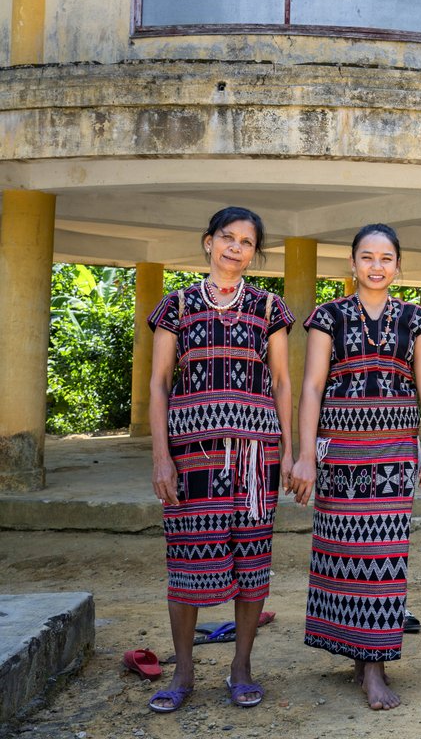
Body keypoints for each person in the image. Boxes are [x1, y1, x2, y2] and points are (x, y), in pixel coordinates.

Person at [291, 223, 421, 710]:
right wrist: (303, 454)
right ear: (352, 263)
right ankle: (360, 657)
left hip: (395, 450)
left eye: (385, 258)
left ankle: (374, 664)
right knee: (342, 553)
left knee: (383, 559)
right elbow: (313, 386)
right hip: (339, 452)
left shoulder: (417, 318)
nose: (376, 267)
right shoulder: (328, 316)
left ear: (399, 265)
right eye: (366, 257)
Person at [147, 207, 294, 712]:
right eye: (226, 238)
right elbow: (160, 382)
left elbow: (282, 382)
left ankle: (241, 668)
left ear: (255, 252)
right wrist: (161, 456)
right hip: (191, 454)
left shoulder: (270, 307)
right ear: (208, 242)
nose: (235, 247)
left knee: (252, 561)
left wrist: (291, 452)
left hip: (257, 456)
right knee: (186, 561)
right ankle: (184, 674)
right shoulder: (176, 305)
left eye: (246, 241)